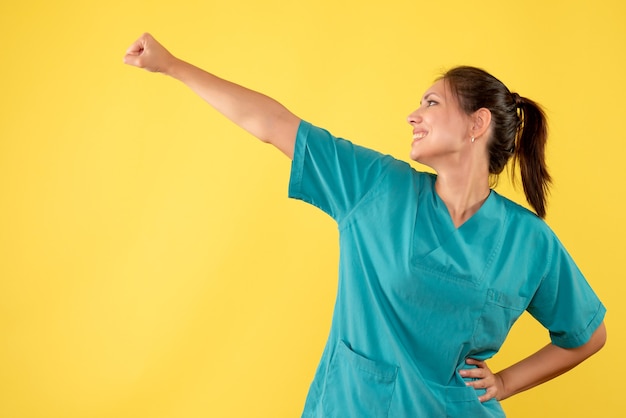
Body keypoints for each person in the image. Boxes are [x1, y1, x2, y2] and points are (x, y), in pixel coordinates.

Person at [124, 33, 607, 417]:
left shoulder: (529, 241)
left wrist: (504, 383)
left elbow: (588, 335)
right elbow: (273, 124)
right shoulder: (375, 187)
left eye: (432, 104)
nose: (412, 116)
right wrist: (172, 65)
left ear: (477, 124)